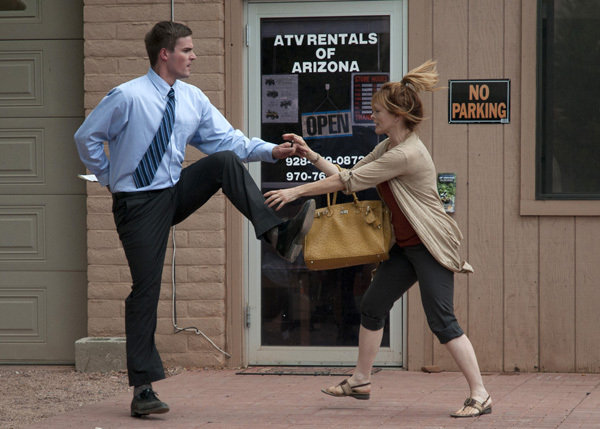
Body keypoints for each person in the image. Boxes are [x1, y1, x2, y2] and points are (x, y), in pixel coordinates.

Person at [74, 21, 315, 418]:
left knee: (222, 162)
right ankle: (143, 389)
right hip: (137, 203)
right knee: (146, 289)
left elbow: (229, 141)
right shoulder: (128, 97)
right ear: (165, 54)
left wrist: (273, 151)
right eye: (187, 49)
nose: (194, 56)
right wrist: (109, 179)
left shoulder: (191, 98)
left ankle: (277, 233)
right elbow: (86, 137)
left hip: (173, 191)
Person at [264, 60, 491, 418]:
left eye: (378, 112)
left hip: (431, 247)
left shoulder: (406, 153)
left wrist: (296, 192)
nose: (372, 117)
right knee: (372, 306)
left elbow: (348, 183)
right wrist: (311, 155)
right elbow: (350, 174)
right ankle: (360, 380)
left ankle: (480, 394)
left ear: (398, 115)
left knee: (442, 321)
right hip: (405, 247)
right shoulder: (389, 147)